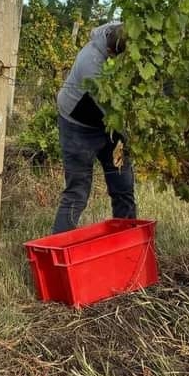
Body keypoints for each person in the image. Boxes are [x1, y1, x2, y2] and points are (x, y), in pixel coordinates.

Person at [51, 21, 136, 234]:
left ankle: (127, 242)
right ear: (110, 51)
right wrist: (135, 137)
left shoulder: (124, 29)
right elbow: (113, 112)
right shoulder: (91, 64)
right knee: (77, 193)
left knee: (123, 187)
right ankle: (59, 251)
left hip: (110, 124)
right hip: (78, 126)